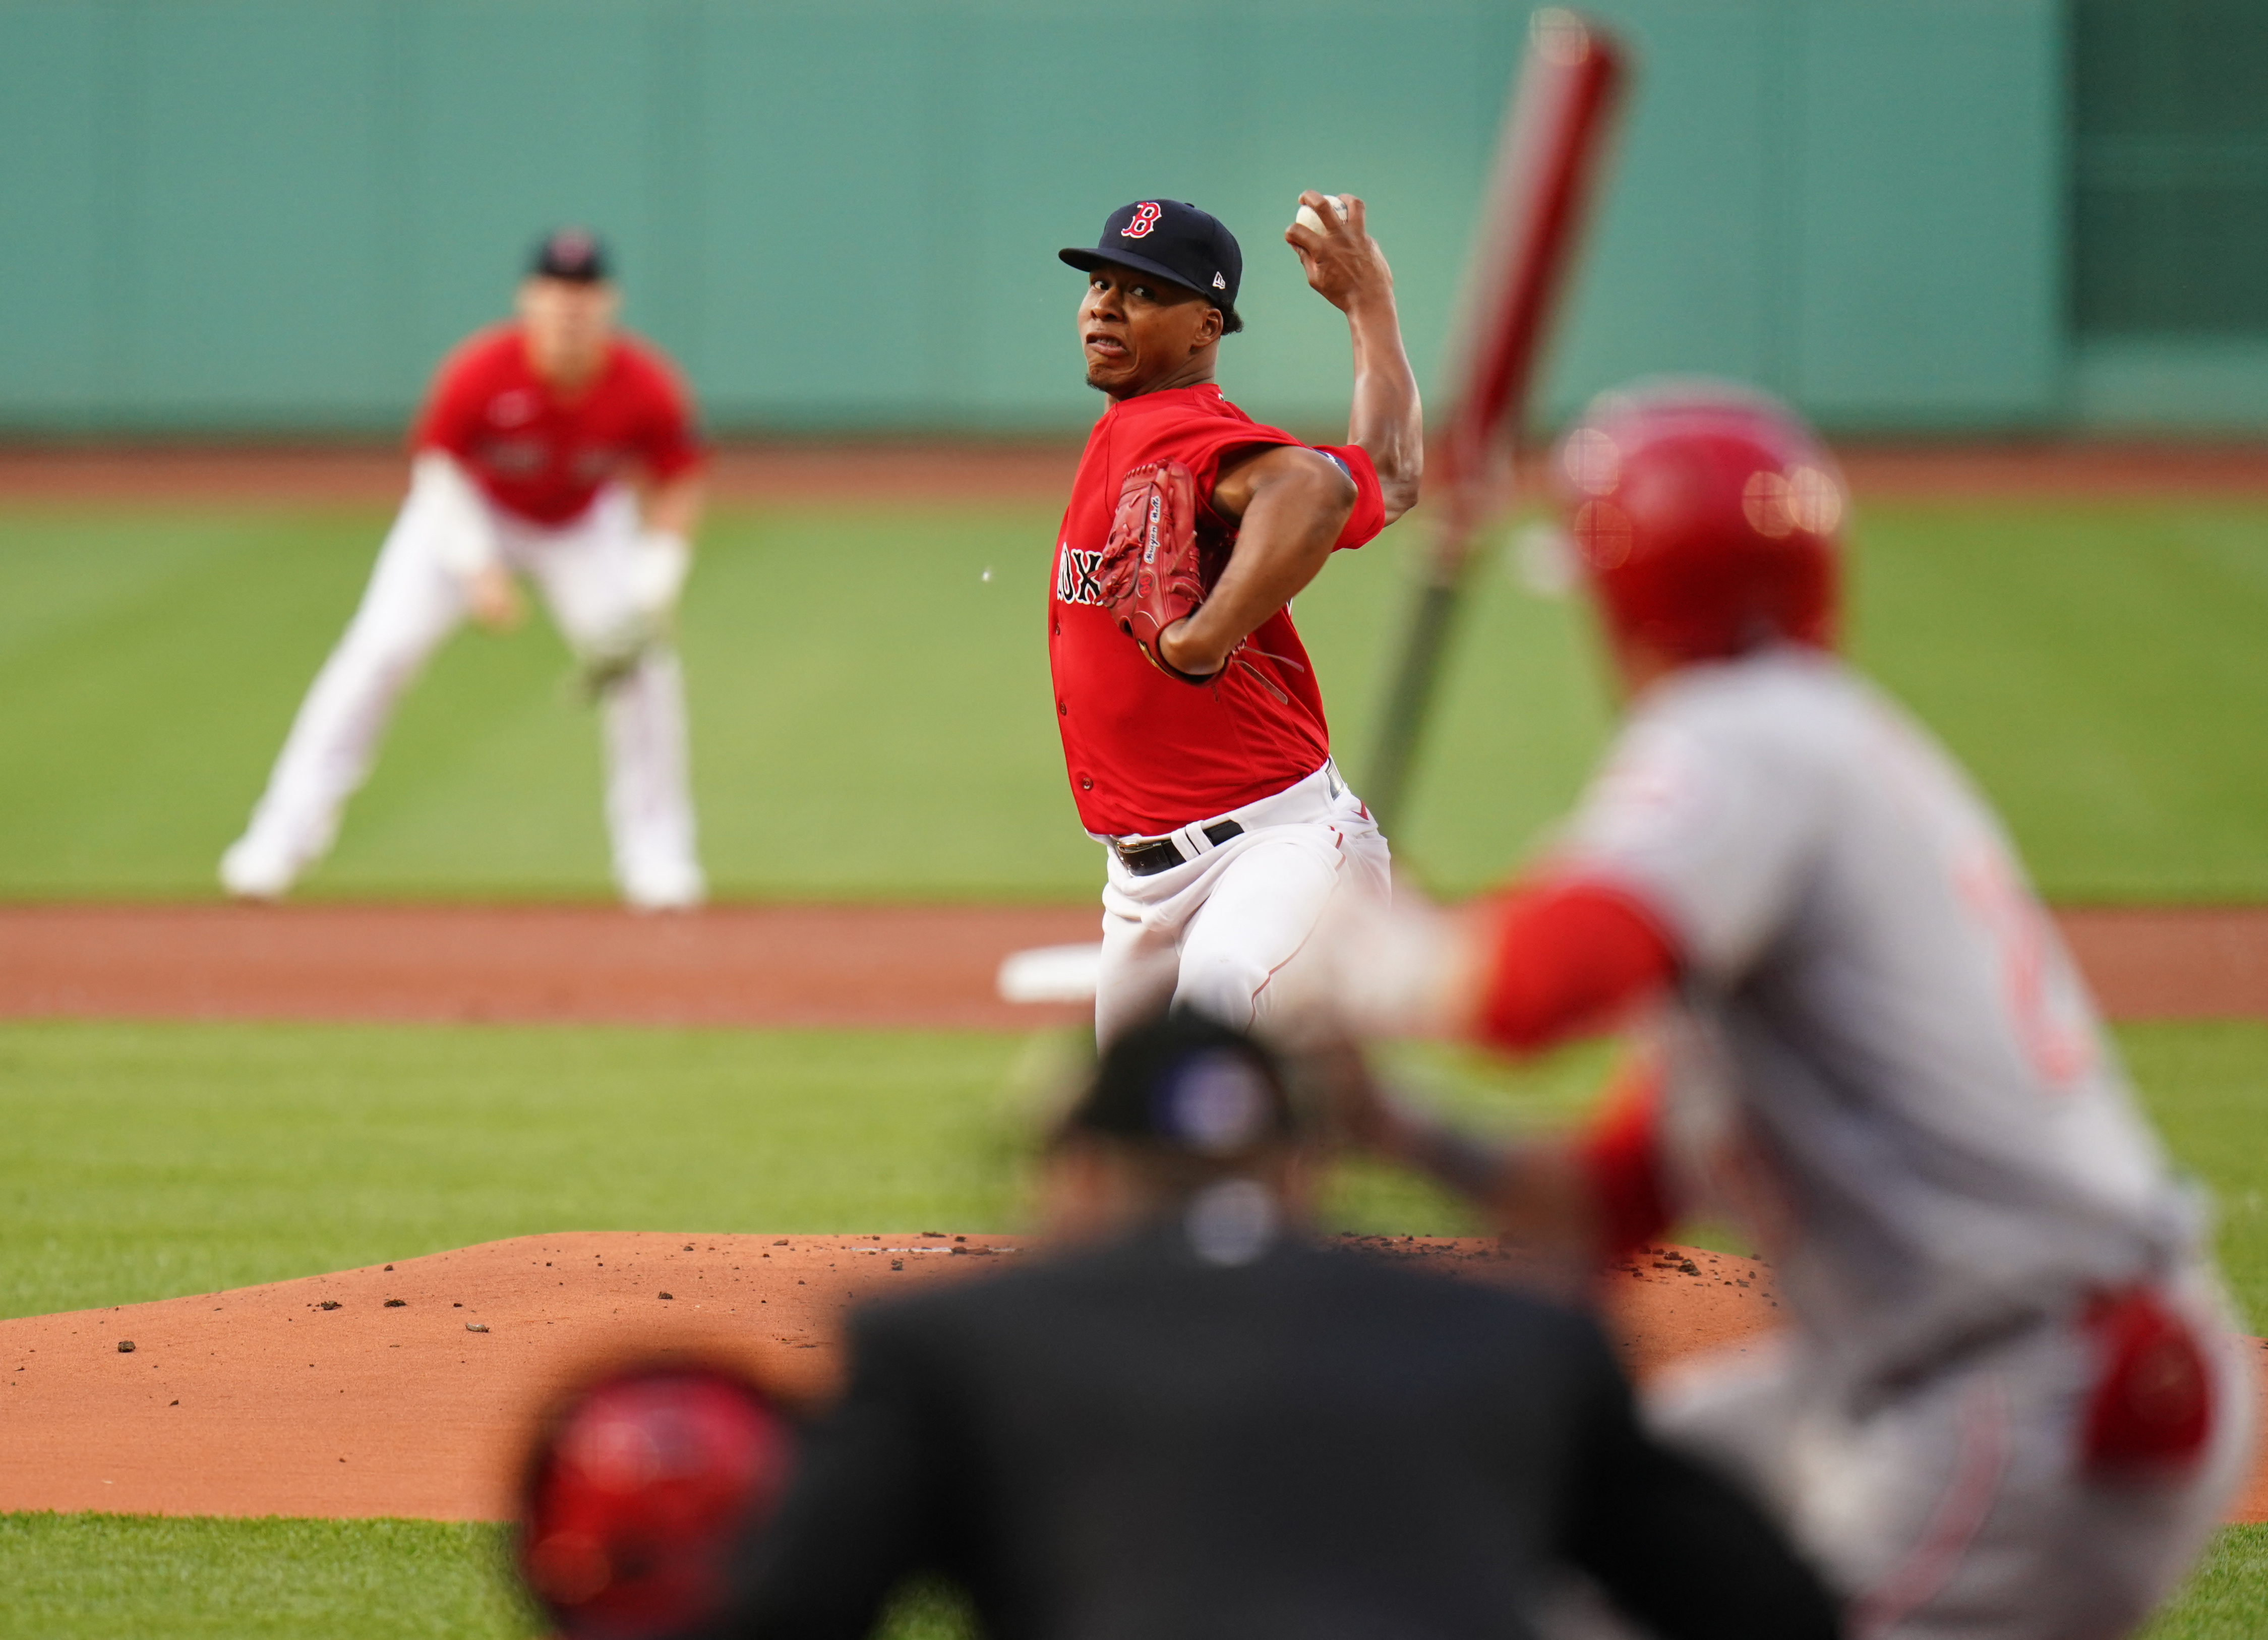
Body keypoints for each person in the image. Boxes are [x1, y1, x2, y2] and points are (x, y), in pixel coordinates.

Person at [1298, 381, 2255, 1640]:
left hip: (2027, 1399)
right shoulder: (1803, 762)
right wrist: (1393, 1126)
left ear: (1623, 599)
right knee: (1582, 1521)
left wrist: (1368, 958)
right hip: (1935, 1370)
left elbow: (1538, 987)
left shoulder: (1744, 736)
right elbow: (1607, 1205)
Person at [660, 1014, 1841, 1640]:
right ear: (1301, 1177)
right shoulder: (1525, 1343)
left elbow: (784, 1612)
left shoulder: (952, 1349)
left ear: (1077, 1178)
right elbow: (1770, 1609)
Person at [220, 227, 707, 909]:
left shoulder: (643, 383)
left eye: (583, 292)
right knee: (378, 654)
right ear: (527, 299)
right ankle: (278, 841)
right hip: (467, 515)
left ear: (608, 302)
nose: (568, 307)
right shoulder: (482, 370)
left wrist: (656, 579)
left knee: (644, 674)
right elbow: (439, 469)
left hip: (583, 526)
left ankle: (658, 860)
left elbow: (678, 481)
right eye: (554, 291)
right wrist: (476, 567)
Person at [1049, 195, 1422, 1044]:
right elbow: (1389, 477)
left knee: (1200, 1067)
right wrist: (1368, 308)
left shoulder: (1183, 437)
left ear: (1204, 327)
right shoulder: (1134, 430)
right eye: (1100, 283)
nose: (1106, 304)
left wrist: (1199, 638)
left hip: (1273, 852)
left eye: (1142, 292)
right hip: (1144, 885)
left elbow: (1313, 487)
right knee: (1145, 1145)